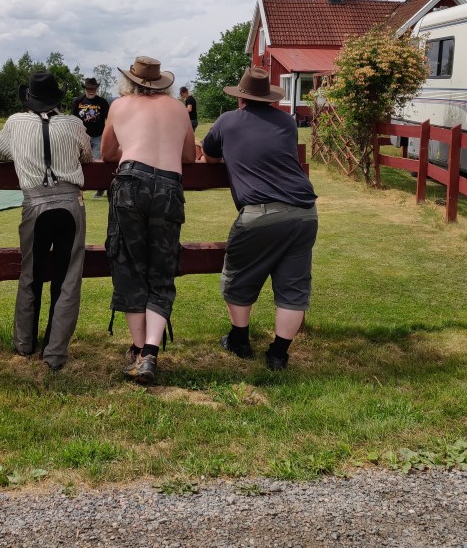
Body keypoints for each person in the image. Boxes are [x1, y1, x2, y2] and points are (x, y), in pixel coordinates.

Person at [201, 67, 317, 371]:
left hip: (260, 213)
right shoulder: (287, 121)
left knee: (239, 277)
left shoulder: (227, 121)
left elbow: (209, 156)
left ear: (240, 98)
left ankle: (239, 340)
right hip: (304, 212)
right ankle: (278, 355)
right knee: (293, 287)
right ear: (269, 98)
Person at [102, 56, 196, 383]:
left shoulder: (119, 105)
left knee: (128, 264)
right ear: (162, 84)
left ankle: (138, 347)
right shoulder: (178, 109)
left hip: (131, 181)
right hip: (169, 185)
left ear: (130, 81)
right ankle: (150, 353)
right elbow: (188, 155)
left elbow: (107, 153)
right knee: (162, 269)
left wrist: (132, 146)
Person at [0, 72, 92, 371]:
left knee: (30, 273)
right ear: (57, 99)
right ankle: (55, 352)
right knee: (68, 278)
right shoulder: (74, 123)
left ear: (29, 99)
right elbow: (86, 156)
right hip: (70, 203)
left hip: (34, 203)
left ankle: (24, 343)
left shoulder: (15, 122)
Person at [71, 77, 110, 197]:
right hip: (81, 137)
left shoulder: (102, 102)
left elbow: (109, 120)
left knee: (97, 162)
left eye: (93, 88)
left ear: (96, 89)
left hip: (98, 137)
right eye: (89, 88)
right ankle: (80, 188)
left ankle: (100, 188)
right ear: (85, 89)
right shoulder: (77, 101)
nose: (91, 91)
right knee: (79, 162)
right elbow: (72, 119)